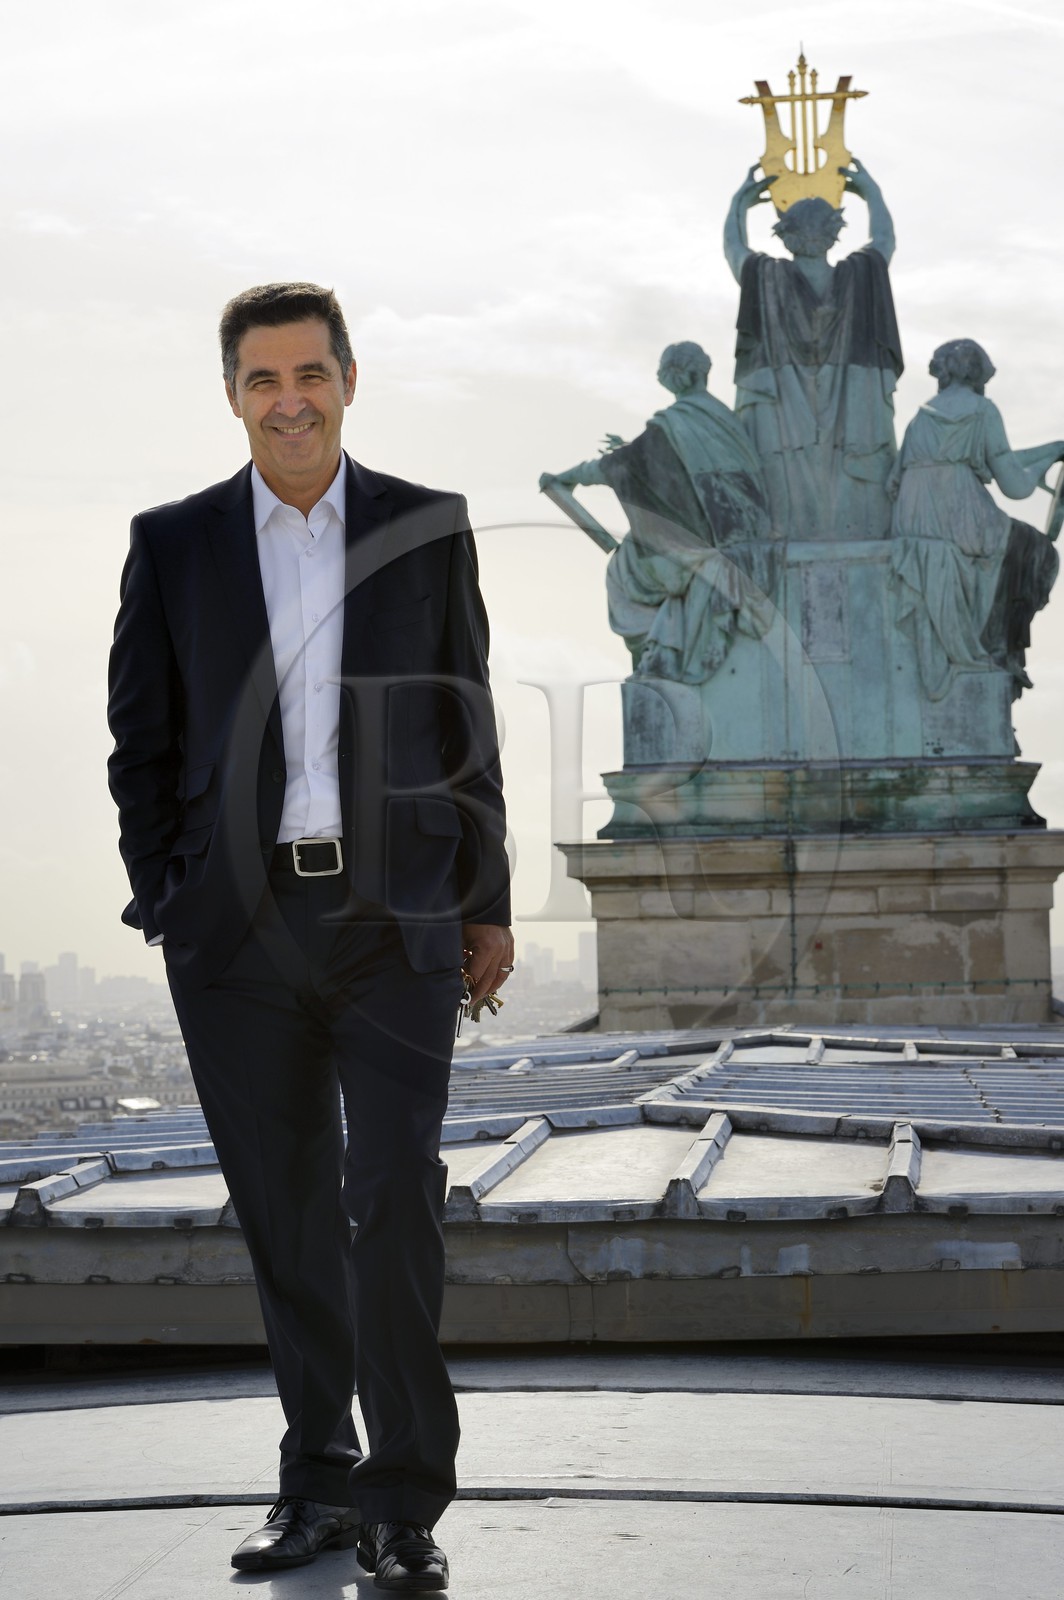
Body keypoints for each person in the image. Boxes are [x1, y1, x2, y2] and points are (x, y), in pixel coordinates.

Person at [107, 282, 513, 1589]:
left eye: (310, 374)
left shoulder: (426, 528)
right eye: (262, 380)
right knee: (285, 1215)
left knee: (390, 1194)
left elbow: (470, 721)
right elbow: (143, 742)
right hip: (235, 928)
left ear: (349, 379)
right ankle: (317, 1493)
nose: (289, 400)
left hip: (393, 918)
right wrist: (168, 901)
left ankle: (406, 1502)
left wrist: (487, 901)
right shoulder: (172, 546)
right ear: (233, 395)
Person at [542, 341, 777, 684]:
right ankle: (665, 646)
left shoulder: (676, 423)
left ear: (675, 376)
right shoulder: (721, 419)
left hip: (701, 549)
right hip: (740, 540)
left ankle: (660, 649)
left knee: (622, 573)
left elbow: (617, 467)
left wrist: (566, 477)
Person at [724, 159, 903, 540]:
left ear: (785, 236)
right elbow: (884, 242)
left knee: (784, 491)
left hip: (781, 410)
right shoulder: (862, 276)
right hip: (852, 408)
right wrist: (872, 193)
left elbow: (734, 250)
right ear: (834, 233)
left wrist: (739, 205)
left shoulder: (765, 278)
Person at [888, 337, 1063, 701]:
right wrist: (1045, 463)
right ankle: (1002, 645)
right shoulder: (982, 410)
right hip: (957, 514)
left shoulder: (922, 415)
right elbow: (1015, 485)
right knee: (1034, 551)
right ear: (979, 373)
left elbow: (997, 457)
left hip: (913, 517)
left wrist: (1052, 450)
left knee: (1020, 546)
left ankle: (1000, 644)